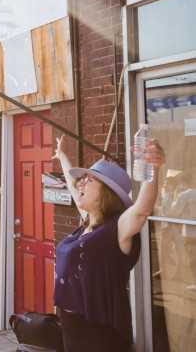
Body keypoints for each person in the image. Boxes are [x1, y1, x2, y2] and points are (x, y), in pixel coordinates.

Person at [52, 134, 165, 352]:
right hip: (70, 328)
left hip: (98, 334)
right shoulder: (87, 222)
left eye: (88, 180)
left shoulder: (117, 229)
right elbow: (70, 181)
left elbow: (142, 210)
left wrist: (154, 168)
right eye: (82, 179)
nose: (79, 183)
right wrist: (62, 156)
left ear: (107, 193)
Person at [171, 177, 196, 291]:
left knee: (192, 260)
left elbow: (175, 212)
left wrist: (176, 196)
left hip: (190, 232)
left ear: (182, 182)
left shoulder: (183, 195)